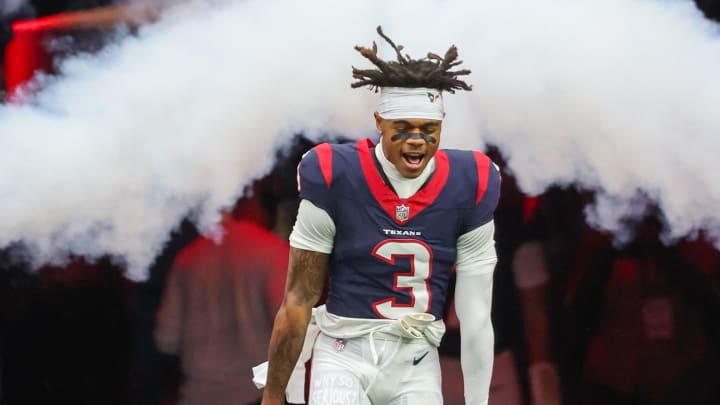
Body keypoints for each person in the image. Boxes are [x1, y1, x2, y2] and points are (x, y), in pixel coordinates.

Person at [258, 26, 501, 405]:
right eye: (402, 129)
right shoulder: (335, 173)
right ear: (379, 122)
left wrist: (478, 402)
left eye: (428, 128)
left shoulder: (472, 182)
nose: (416, 139)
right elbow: (299, 298)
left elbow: (475, 318)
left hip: (417, 362)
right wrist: (273, 395)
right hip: (342, 356)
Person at [154, 190, 290, 405]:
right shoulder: (274, 252)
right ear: (250, 201)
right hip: (257, 394)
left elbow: (166, 340)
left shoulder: (187, 258)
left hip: (197, 395)